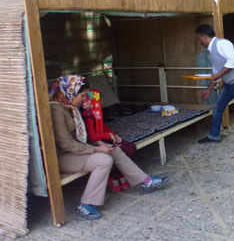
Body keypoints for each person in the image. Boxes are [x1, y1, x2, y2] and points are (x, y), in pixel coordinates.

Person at [49, 76, 169, 220]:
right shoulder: (56, 110)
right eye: (82, 96)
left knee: (113, 148)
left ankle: (146, 181)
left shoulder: (69, 107)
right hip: (62, 157)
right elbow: (66, 144)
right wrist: (97, 150)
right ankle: (86, 204)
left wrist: (99, 143)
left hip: (75, 150)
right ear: (70, 93)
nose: (84, 99)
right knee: (104, 160)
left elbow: (81, 134)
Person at [81, 89, 137, 193]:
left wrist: (115, 135)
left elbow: (103, 126)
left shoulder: (93, 113)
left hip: (105, 138)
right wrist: (109, 135)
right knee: (126, 150)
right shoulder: (87, 116)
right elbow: (92, 136)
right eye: (88, 100)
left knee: (132, 147)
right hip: (97, 143)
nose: (91, 103)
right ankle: (113, 176)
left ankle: (120, 173)